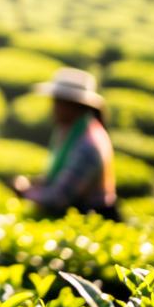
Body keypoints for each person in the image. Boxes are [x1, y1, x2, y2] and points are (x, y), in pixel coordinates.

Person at [11, 67, 118, 218]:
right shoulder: (69, 132)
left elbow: (60, 197)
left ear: (72, 106)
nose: (52, 108)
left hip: (90, 217)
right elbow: (58, 176)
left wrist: (26, 193)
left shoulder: (88, 143)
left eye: (57, 103)